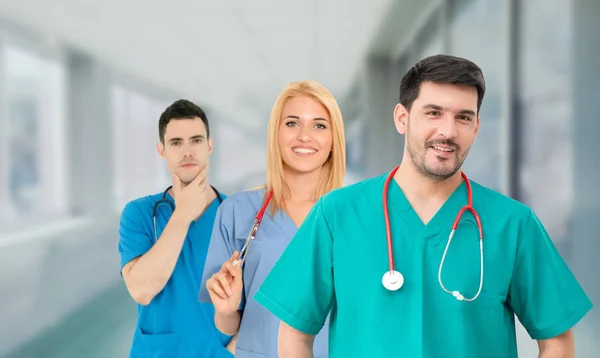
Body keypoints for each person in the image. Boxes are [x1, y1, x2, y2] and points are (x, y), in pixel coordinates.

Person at [253, 55, 594, 357]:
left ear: (476, 128)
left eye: (463, 118)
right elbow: (296, 333)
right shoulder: (337, 214)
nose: (448, 131)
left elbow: (557, 340)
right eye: (433, 113)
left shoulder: (513, 224)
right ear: (402, 118)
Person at [198, 80, 346, 357]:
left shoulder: (354, 215)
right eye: (292, 123)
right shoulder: (236, 211)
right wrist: (226, 309)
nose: (304, 135)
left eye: (319, 125)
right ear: (275, 134)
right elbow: (227, 324)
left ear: (333, 140)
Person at [118, 99, 234, 357]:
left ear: (209, 145)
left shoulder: (237, 214)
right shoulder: (139, 214)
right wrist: (183, 213)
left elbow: (259, 303)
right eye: (176, 143)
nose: (187, 152)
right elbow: (142, 290)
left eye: (196, 140)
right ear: (162, 151)